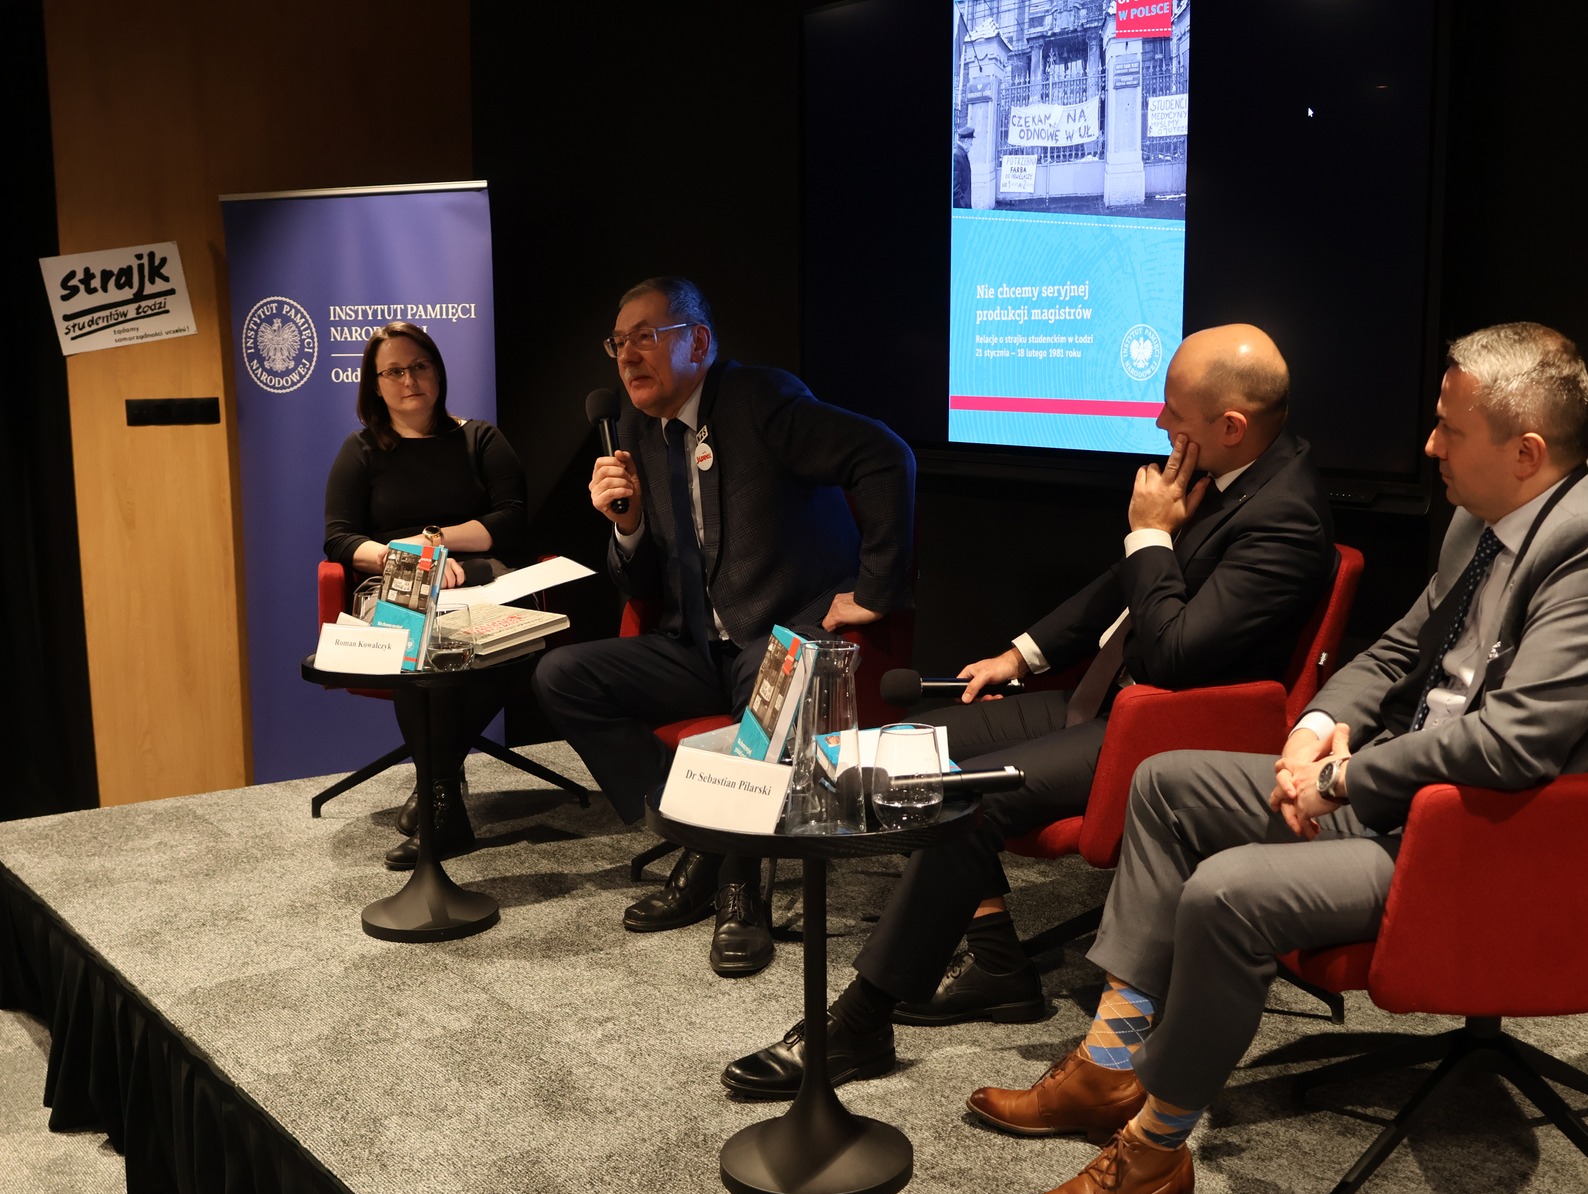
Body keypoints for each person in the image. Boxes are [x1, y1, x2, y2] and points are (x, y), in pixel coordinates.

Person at [968, 322, 1588, 1194]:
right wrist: (1314, 728)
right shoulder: (1482, 517)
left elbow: (1513, 747)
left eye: (1450, 429)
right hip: (1411, 796)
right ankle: (1112, 1064)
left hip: (1491, 839)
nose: (1429, 445)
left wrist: (1345, 779)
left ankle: (1153, 1155)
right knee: (1165, 783)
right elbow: (1396, 648)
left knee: (1226, 893)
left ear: (1527, 452)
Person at [722, 324, 1337, 1099]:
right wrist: (1021, 654)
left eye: (1174, 412)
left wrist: (1151, 533)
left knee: (962, 794)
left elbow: (1176, 651)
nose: (1159, 423)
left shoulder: (1286, 518)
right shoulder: (1222, 470)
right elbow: (1125, 582)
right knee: (908, 746)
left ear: (1233, 426)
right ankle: (998, 963)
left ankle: (859, 1021)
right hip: (1108, 703)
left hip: (1166, 733)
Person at [532, 277, 915, 978]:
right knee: (562, 676)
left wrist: (874, 591)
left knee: (762, 696)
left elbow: (886, 456)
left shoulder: (761, 400)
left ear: (698, 341)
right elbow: (640, 586)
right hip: (693, 644)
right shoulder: (633, 430)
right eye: (618, 343)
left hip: (779, 636)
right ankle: (703, 832)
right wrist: (627, 526)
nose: (627, 356)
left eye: (645, 337)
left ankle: (741, 886)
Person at [324, 323, 526, 870]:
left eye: (419, 366)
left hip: (481, 576)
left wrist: (435, 541)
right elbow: (339, 539)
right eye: (393, 371)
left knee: (512, 644)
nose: (409, 379)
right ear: (375, 384)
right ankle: (443, 798)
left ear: (437, 370)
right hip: (395, 582)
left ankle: (435, 785)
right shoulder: (360, 450)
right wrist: (409, 561)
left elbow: (511, 519)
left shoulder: (480, 439)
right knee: (411, 642)